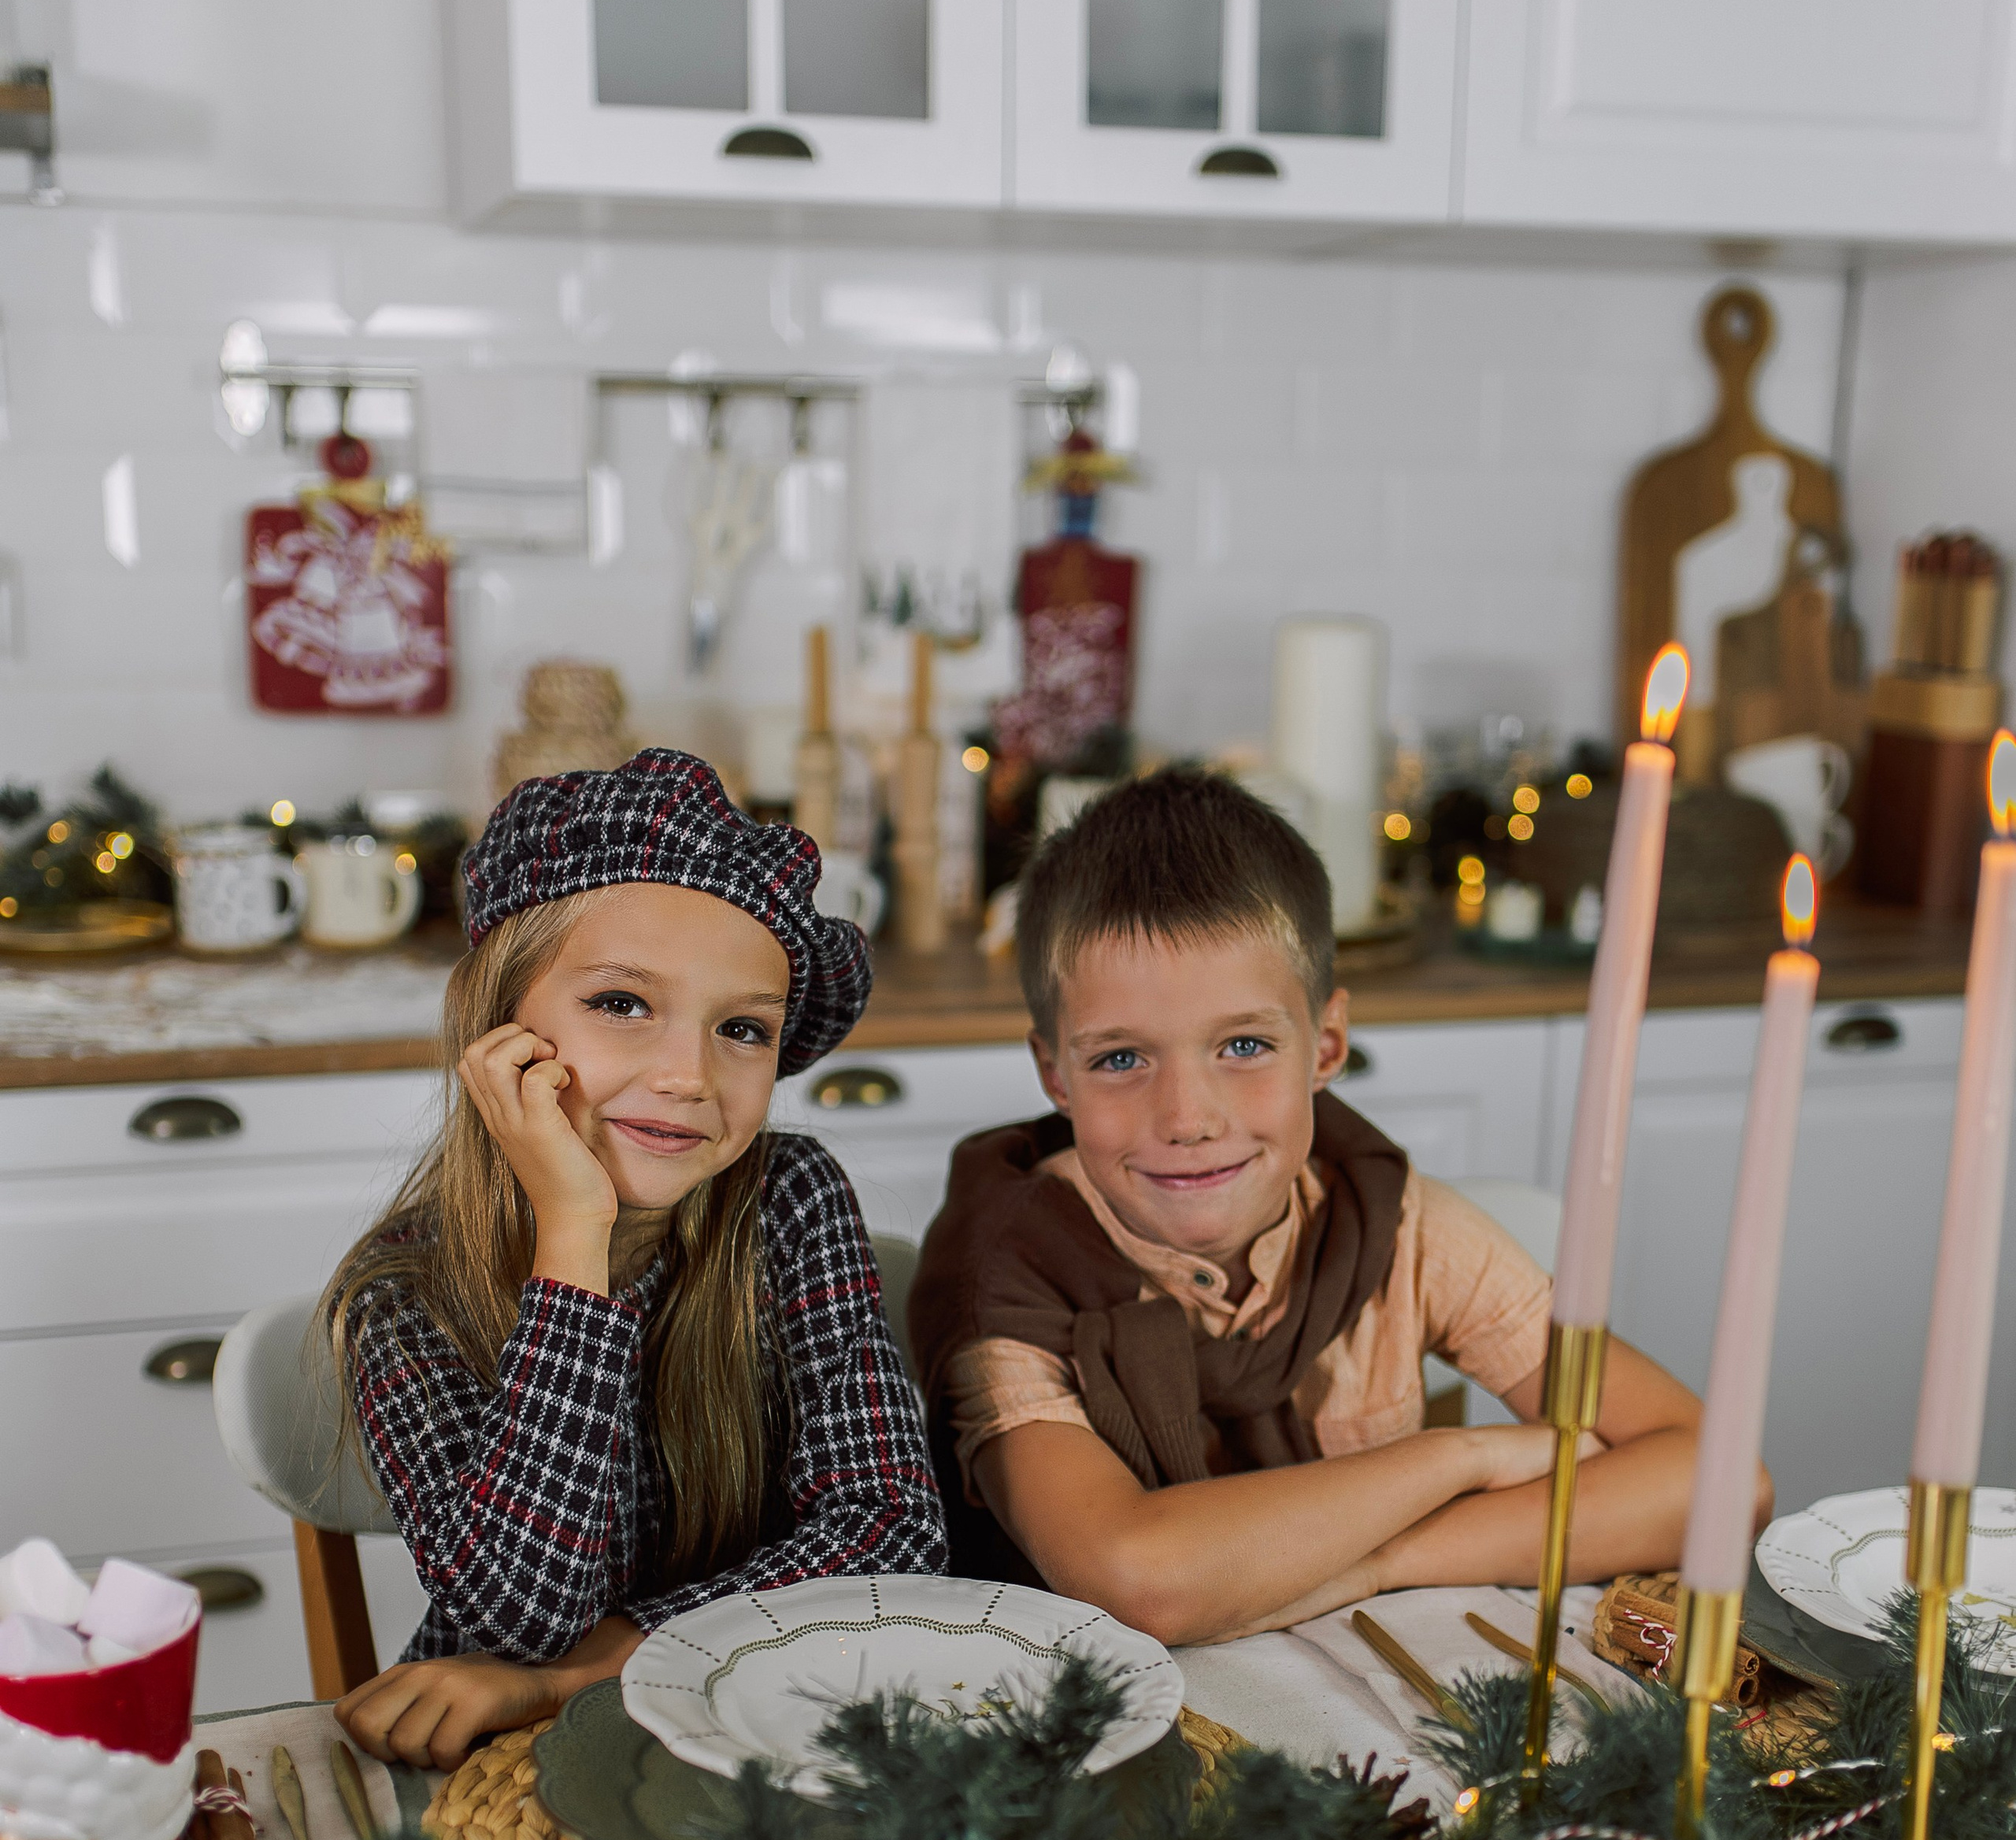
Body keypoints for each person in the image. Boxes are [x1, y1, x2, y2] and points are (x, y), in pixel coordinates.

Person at [910, 768, 1723, 1646]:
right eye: (1119, 1060)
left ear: (1326, 1045)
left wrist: (1387, 1560)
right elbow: (1137, 1581)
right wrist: (1464, 1457)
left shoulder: (1394, 1222)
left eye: (1244, 1045)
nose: (1188, 1120)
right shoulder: (1003, 1277)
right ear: (1052, 1072)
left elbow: (1711, 1482)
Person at [324, 748, 944, 1767]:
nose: (688, 1074)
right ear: (500, 1027)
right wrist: (577, 1238)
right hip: (515, 1763)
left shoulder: (790, 1198)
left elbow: (891, 1531)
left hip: (769, 1719)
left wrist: (598, 1663)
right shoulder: (403, 1292)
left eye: (743, 1028)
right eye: (622, 1003)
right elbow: (520, 1619)